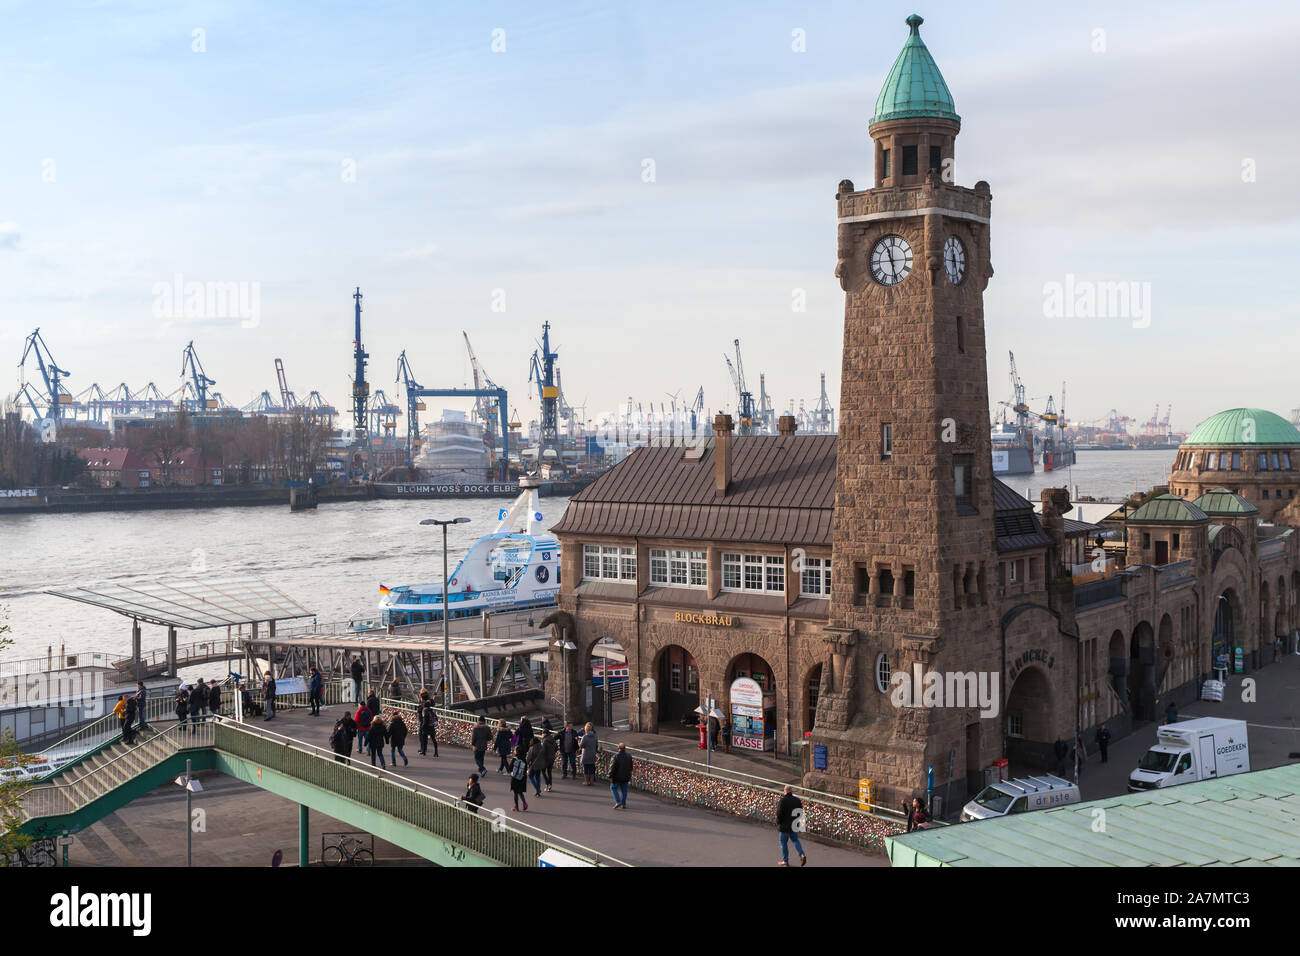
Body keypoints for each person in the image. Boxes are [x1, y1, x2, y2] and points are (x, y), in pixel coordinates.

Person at [776, 785, 806, 866]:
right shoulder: (797, 800)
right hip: (794, 825)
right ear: (791, 791)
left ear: (785, 791)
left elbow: (779, 813)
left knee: (783, 843)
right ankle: (802, 854)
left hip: (784, 826)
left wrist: (778, 822)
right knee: (795, 840)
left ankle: (785, 861)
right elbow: (800, 812)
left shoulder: (783, 801)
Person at [608, 742, 632, 809]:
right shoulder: (629, 756)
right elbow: (631, 767)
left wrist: (610, 776)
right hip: (626, 776)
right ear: (625, 748)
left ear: (618, 748)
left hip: (616, 776)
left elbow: (612, 767)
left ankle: (618, 801)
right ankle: (623, 804)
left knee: (613, 788)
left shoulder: (615, 756)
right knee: (624, 790)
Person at [417, 690, 439, 756]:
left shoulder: (424, 707)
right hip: (431, 726)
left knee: (422, 737)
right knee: (433, 739)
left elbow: (419, 711)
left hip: (424, 725)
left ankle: (423, 750)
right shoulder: (429, 704)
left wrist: (423, 726)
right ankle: (436, 752)